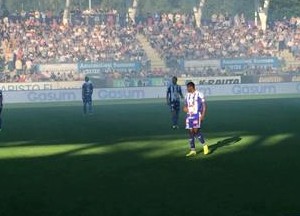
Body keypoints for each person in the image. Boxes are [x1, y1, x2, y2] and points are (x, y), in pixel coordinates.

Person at [183, 82, 209, 156]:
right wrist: (184, 108)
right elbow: (185, 106)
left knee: (196, 130)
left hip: (197, 115)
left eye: (188, 87)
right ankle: (193, 150)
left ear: (191, 87)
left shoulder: (199, 94)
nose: (187, 89)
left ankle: (204, 145)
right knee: (190, 132)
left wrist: (203, 115)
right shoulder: (187, 95)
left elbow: (204, 105)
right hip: (189, 115)